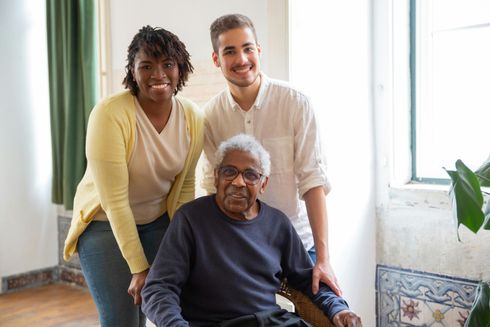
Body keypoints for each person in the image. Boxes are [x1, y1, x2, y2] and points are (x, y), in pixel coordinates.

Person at [63, 26, 203, 327]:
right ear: (132, 70)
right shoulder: (110, 114)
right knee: (123, 319)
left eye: (168, 64)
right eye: (147, 66)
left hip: (158, 222)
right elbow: (114, 202)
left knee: (171, 306)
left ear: (181, 69)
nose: (158, 74)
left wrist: (184, 244)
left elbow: (186, 187)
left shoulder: (193, 116)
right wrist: (139, 268)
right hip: (104, 226)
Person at [142, 134, 361, 327]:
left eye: (250, 175)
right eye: (229, 172)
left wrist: (338, 308)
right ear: (216, 177)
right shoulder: (190, 219)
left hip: (273, 321)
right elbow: (158, 289)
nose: (238, 182)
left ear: (263, 184)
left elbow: (307, 280)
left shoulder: (278, 224)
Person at [201, 13, 340, 296]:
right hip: (237, 248)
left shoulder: (296, 104)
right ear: (216, 60)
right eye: (230, 51)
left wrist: (324, 260)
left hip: (298, 246)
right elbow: (211, 189)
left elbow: (313, 181)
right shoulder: (209, 117)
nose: (242, 59)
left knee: (329, 311)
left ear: (258, 50)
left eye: (248, 48)